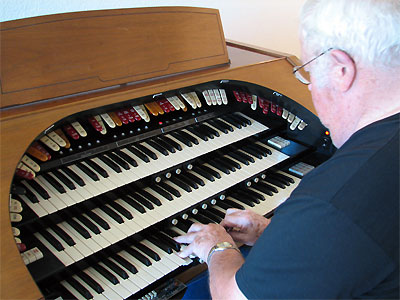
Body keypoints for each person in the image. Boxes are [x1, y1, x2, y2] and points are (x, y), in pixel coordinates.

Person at [174, 0, 400, 298]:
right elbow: (353, 242)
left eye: (308, 72)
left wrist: (217, 246)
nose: (308, 87)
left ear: (340, 70)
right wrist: (274, 234)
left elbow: (233, 296)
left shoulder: (332, 199)